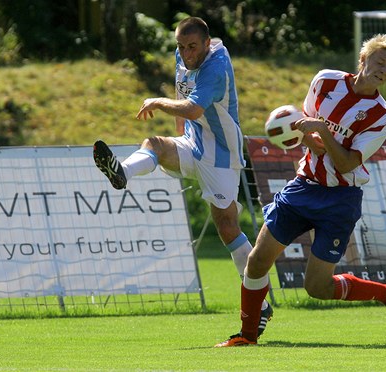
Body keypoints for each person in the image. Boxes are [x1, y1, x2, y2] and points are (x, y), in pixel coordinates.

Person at [215, 34, 386, 347]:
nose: (383, 70)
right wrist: (299, 133)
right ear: (363, 61)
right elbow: (303, 127)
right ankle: (247, 336)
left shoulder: (382, 115)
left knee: (317, 288)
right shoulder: (325, 81)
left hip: (340, 199)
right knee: (256, 261)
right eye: (379, 63)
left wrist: (322, 132)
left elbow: (347, 164)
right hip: (303, 186)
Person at [92, 16, 273, 335]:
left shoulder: (216, 67)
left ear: (206, 43)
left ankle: (261, 304)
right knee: (155, 144)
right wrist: (180, 136)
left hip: (220, 154)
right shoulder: (183, 55)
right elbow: (183, 94)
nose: (186, 53)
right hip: (192, 143)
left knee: (227, 227)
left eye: (192, 47)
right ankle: (122, 172)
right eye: (181, 46)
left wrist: (157, 103)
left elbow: (192, 108)